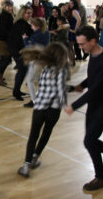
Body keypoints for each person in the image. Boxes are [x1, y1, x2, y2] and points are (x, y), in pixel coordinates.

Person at [64, 26, 103, 191]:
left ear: (92, 41)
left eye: (83, 44)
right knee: (91, 139)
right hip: (95, 104)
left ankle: (100, 178)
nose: (80, 47)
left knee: (89, 140)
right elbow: (93, 78)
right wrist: (82, 85)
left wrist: (74, 106)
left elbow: (96, 89)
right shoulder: (94, 55)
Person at [17, 43, 69, 177]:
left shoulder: (44, 67)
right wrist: (65, 105)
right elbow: (60, 89)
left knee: (33, 135)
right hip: (53, 109)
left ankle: (26, 165)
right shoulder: (61, 70)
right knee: (46, 133)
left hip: (40, 107)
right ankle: (35, 158)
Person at [8, 6, 33, 100]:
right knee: (22, 70)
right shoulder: (21, 24)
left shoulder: (24, 23)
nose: (29, 15)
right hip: (17, 50)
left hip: (18, 49)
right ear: (22, 13)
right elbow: (25, 37)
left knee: (22, 70)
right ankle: (16, 92)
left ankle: (17, 90)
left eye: (30, 13)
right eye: (27, 13)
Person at [0, 2, 14, 85]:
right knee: (5, 59)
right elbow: (4, 30)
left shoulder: (6, 14)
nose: (9, 8)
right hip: (3, 40)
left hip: (3, 40)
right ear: (4, 7)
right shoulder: (5, 15)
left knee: (3, 60)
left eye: (10, 6)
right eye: (7, 6)